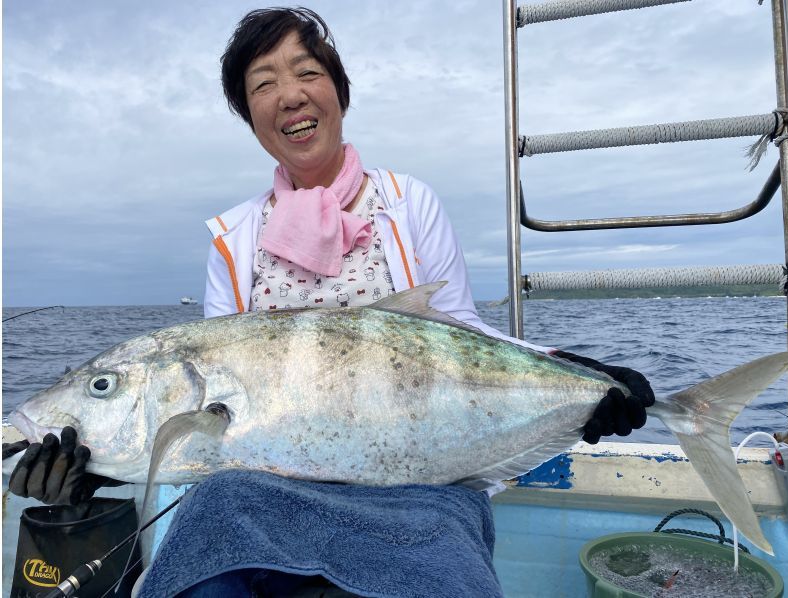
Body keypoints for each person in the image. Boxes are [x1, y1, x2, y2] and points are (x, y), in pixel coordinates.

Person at [5, 8, 654, 597]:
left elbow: (456, 334)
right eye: (262, 84)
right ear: (249, 114)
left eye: (305, 72)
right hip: (255, 501)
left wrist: (575, 374)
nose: (288, 95)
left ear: (338, 92)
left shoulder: (409, 202)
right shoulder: (235, 241)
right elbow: (206, 444)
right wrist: (100, 470)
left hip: (419, 485)